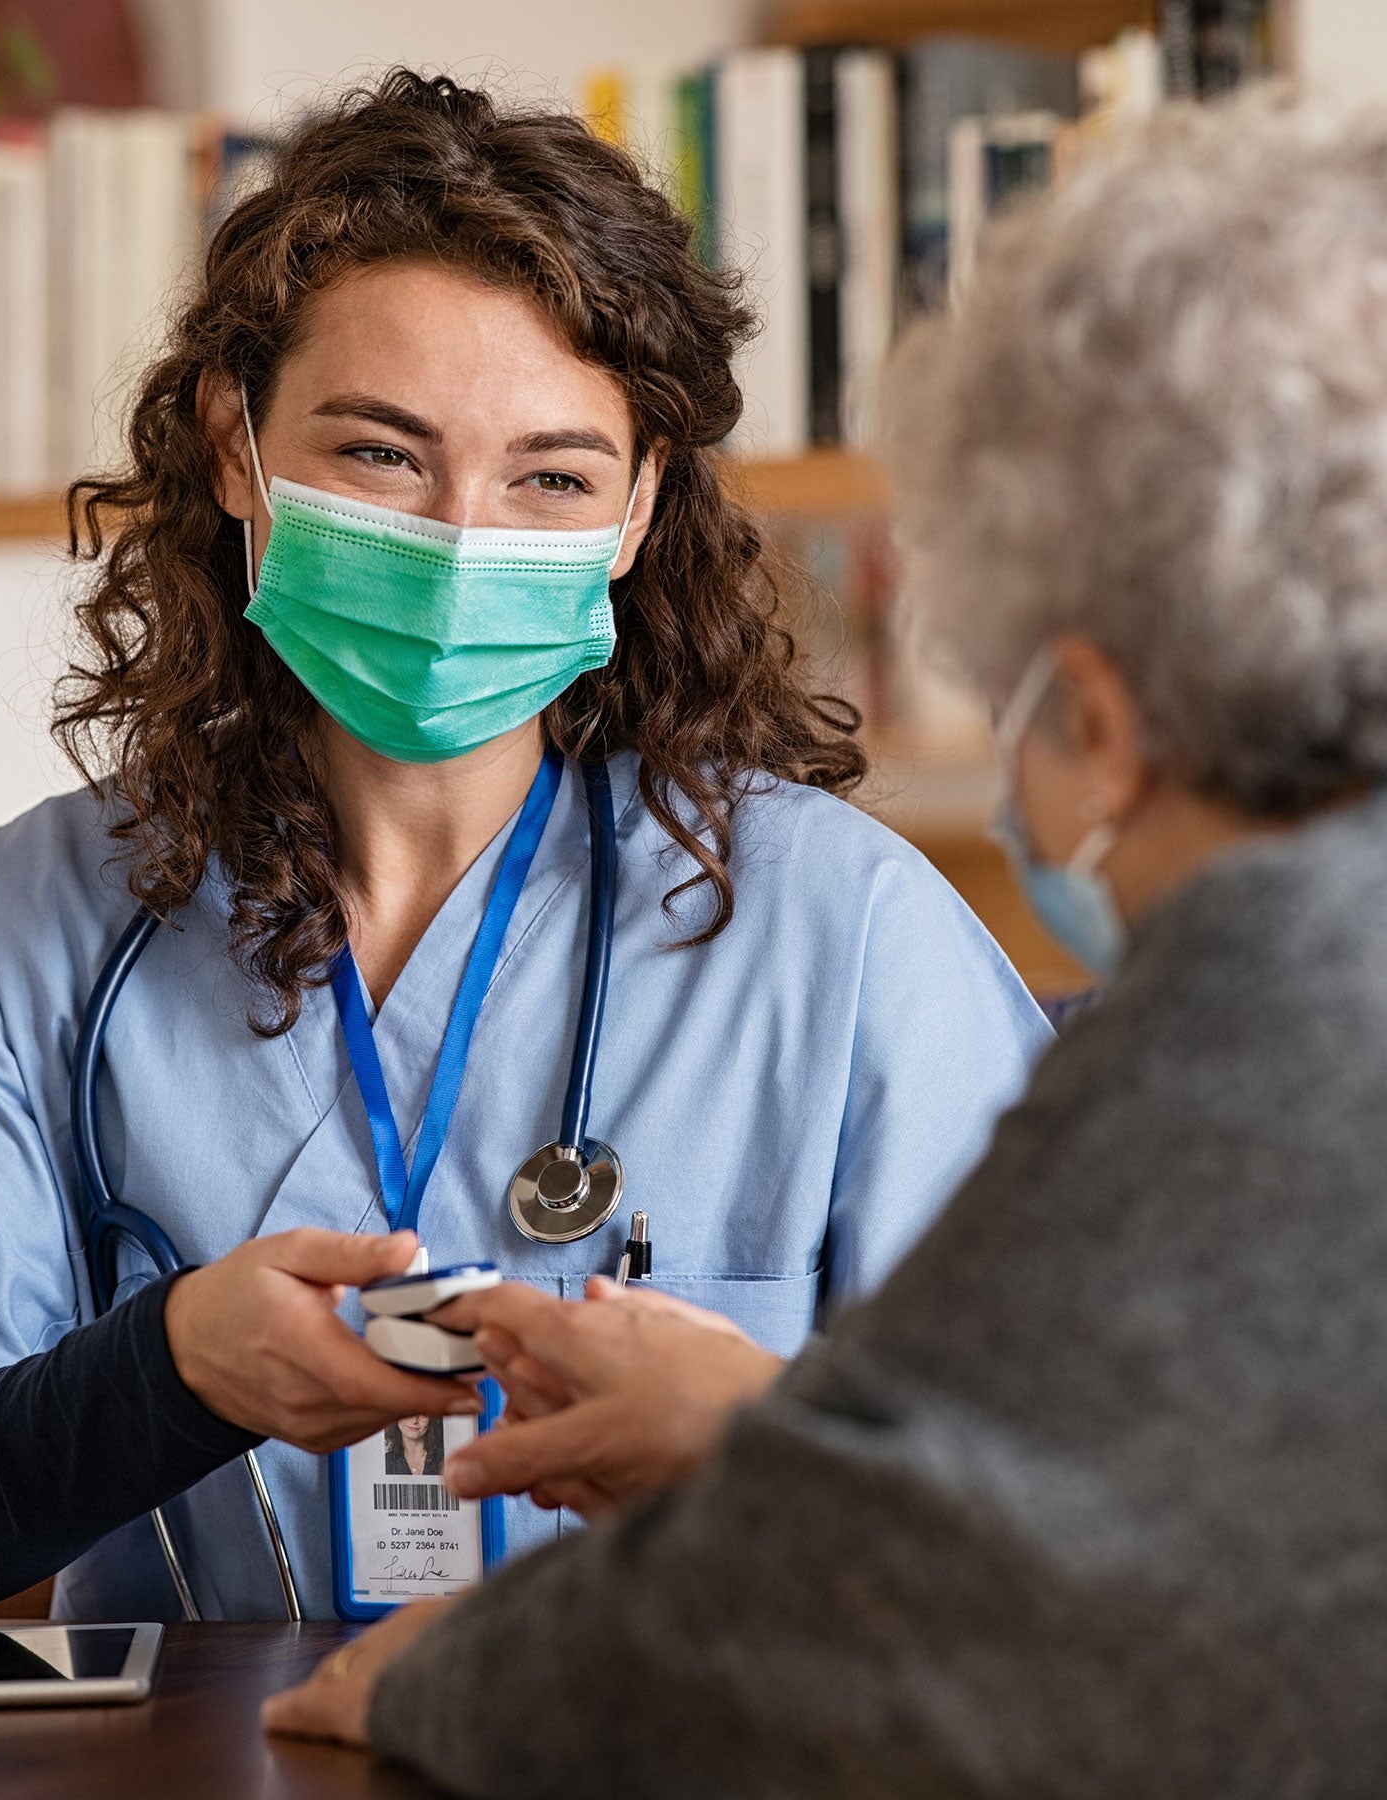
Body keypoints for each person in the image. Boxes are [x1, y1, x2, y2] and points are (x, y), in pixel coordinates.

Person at [0, 69, 1046, 1629]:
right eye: (380, 456)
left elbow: (1057, 1509)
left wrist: (742, 1440)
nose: (460, 540)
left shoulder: (840, 930)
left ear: (639, 512)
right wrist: (171, 1366)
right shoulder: (56, 914)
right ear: (233, 448)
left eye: (553, 477)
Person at [264, 94, 1387, 1793]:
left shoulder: (1278, 1001)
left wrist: (448, 1681)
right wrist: (751, 1433)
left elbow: (914, 1615)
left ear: (1097, 710)